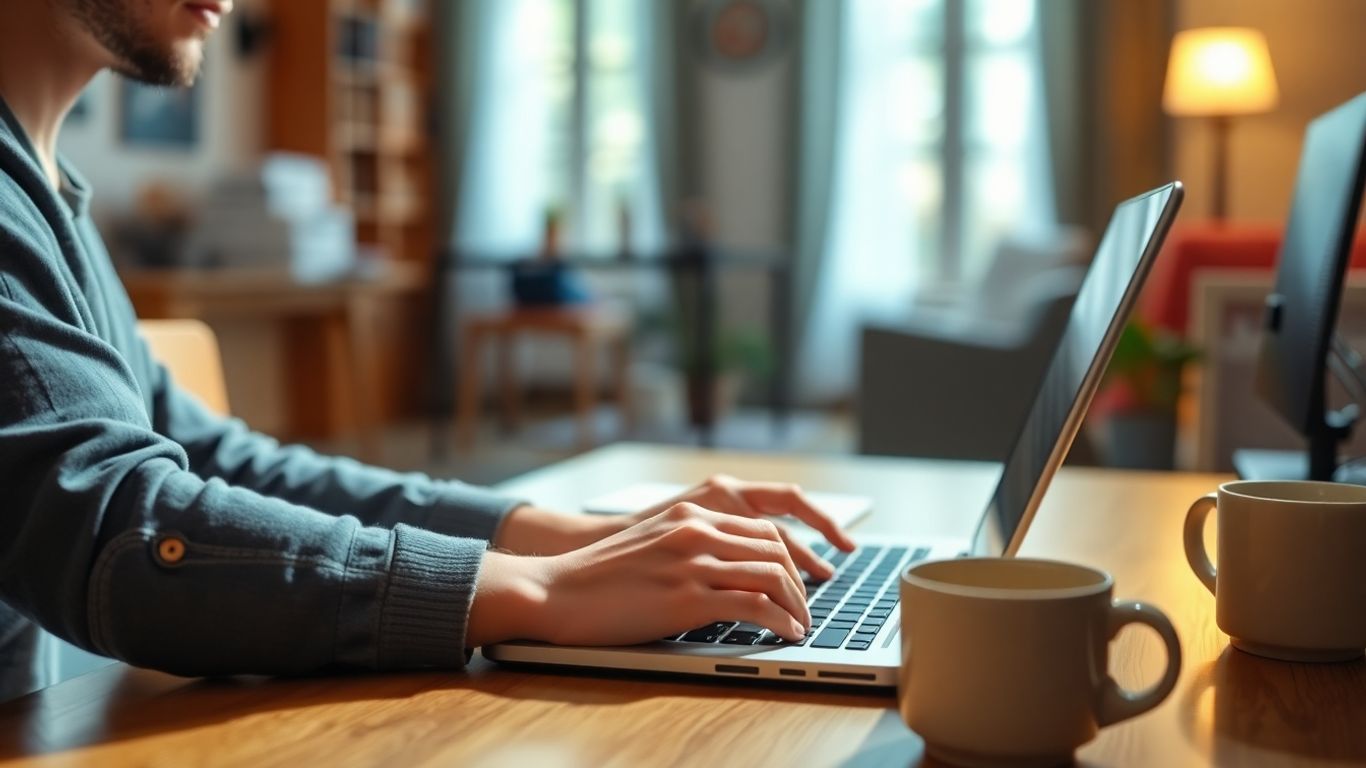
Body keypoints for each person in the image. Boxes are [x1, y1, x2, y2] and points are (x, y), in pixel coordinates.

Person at [0, 0, 855, 701]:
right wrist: (538, 590)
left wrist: (571, 539)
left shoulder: (47, 192)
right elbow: (111, 528)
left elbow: (215, 460)